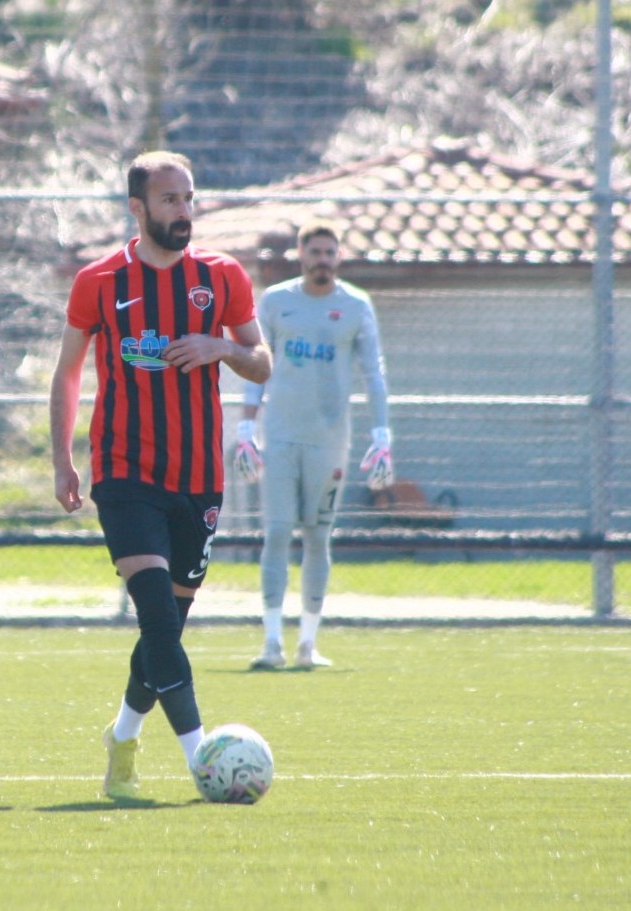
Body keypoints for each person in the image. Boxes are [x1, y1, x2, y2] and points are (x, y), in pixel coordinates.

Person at [50, 151, 272, 799]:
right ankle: (205, 758)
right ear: (137, 208)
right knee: (152, 611)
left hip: (199, 477)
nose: (183, 211)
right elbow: (67, 372)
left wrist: (222, 347)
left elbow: (262, 361)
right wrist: (62, 457)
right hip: (124, 470)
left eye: (188, 198)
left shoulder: (222, 277)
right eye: (169, 200)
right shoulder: (98, 281)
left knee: (164, 631)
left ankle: (121, 736)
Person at [233, 218, 393, 671]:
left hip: (330, 442)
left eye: (329, 253)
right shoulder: (277, 301)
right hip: (280, 437)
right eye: (314, 253)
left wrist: (383, 435)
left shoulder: (357, 306)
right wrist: (247, 428)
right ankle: (270, 643)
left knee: (319, 536)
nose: (321, 261)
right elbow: (254, 366)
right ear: (301, 256)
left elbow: (374, 374)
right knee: (279, 531)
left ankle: (307, 642)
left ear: (338, 257)